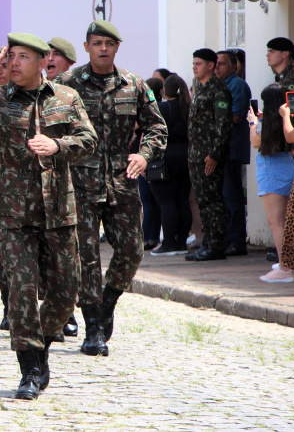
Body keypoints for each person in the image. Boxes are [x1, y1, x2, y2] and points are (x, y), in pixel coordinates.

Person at [0, 33, 96, 399]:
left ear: (43, 61)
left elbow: (90, 141)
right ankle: (29, 366)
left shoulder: (66, 97)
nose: (14, 63)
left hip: (59, 210)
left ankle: (40, 341)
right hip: (12, 214)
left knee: (66, 292)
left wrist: (58, 145)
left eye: (22, 57)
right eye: (9, 56)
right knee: (22, 289)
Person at [53, 21, 167, 357]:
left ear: (117, 48)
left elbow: (156, 127)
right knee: (85, 259)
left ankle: (106, 303)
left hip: (122, 181)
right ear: (86, 47)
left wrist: (144, 155)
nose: (104, 48)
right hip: (79, 183)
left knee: (132, 250)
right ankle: (93, 330)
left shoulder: (133, 85)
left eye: (110, 43)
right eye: (97, 43)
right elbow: (45, 123)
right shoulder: (66, 84)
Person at [185, 48, 232, 262]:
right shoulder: (200, 89)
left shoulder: (218, 90)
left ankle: (216, 246)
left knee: (213, 201)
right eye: (194, 63)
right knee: (202, 201)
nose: (194, 67)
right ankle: (207, 243)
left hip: (208, 156)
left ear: (211, 66)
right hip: (196, 155)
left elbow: (223, 126)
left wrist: (214, 154)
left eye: (198, 63)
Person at [245, 84, 294, 282]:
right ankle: (289, 263)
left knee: (276, 222)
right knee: (289, 221)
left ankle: (284, 268)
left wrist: (252, 123)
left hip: (270, 168)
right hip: (288, 165)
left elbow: (256, 142)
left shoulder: (267, 124)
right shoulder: (286, 119)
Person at [149, 74, 193, 256]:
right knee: (182, 200)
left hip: (165, 157)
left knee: (166, 202)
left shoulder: (163, 108)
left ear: (164, 90)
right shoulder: (188, 107)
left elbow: (151, 133)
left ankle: (168, 243)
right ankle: (181, 242)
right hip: (186, 155)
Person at [215, 50, 251, 256]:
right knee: (223, 198)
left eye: (221, 64)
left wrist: (213, 119)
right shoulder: (220, 86)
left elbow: (237, 115)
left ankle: (237, 241)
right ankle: (228, 239)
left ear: (233, 66)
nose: (217, 67)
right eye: (216, 64)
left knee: (232, 197)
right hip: (222, 150)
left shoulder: (236, 84)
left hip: (232, 149)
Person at [138, 77, 164, 251]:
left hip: (146, 159)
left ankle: (147, 237)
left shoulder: (148, 109)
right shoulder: (161, 109)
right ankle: (152, 237)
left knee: (147, 202)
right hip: (159, 159)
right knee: (155, 202)